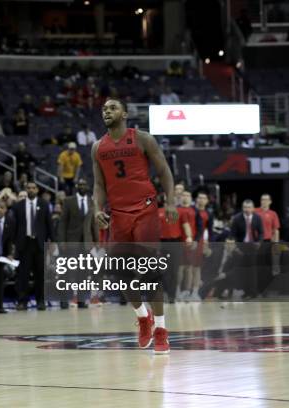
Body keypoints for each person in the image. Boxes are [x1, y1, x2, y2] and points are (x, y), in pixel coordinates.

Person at [92, 98, 178, 354]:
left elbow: (164, 171)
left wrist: (170, 202)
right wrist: (97, 209)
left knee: (149, 272)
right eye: (104, 109)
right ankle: (143, 318)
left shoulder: (143, 139)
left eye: (112, 108)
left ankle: (161, 328)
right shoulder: (98, 147)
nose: (107, 111)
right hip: (118, 214)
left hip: (145, 208)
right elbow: (99, 184)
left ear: (125, 114)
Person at [11, 182, 54, 311]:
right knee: (23, 275)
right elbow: (15, 226)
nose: (31, 190)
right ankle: (22, 301)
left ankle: (40, 301)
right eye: (29, 188)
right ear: (26, 190)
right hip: (24, 244)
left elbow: (49, 224)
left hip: (40, 244)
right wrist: (14, 243)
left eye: (33, 188)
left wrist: (53, 241)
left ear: (37, 190)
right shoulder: (18, 206)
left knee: (40, 275)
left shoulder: (44, 204)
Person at [57, 178, 98, 308]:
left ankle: (81, 300)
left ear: (87, 187)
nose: (81, 186)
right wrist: (62, 241)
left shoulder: (92, 202)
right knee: (68, 272)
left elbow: (94, 223)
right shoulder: (69, 201)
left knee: (84, 273)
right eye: (79, 184)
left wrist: (96, 241)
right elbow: (63, 222)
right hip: (71, 241)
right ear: (76, 187)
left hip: (85, 243)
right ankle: (64, 300)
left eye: (84, 184)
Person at [230, 199, 264, 299]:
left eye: (249, 207)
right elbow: (232, 235)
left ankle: (253, 292)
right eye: (245, 207)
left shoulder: (257, 218)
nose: (247, 209)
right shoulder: (236, 218)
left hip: (253, 246)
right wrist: (235, 247)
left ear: (253, 208)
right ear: (242, 208)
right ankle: (245, 292)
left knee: (252, 271)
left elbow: (261, 232)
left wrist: (259, 241)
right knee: (242, 271)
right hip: (241, 246)